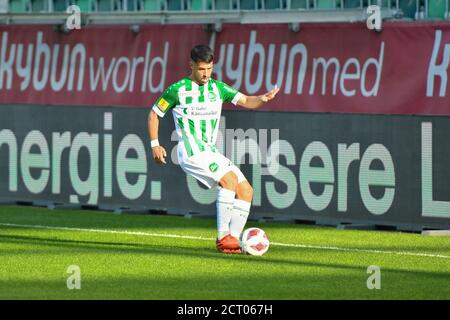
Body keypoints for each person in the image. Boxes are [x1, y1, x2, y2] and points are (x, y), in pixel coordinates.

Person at [148, 44, 279, 253]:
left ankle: (233, 242)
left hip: (209, 151)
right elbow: (154, 113)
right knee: (229, 180)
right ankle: (222, 237)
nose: (206, 74)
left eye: (209, 68)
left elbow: (245, 100)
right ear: (191, 65)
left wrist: (262, 99)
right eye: (201, 69)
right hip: (191, 151)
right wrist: (155, 145)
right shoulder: (177, 90)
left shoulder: (218, 88)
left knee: (246, 190)